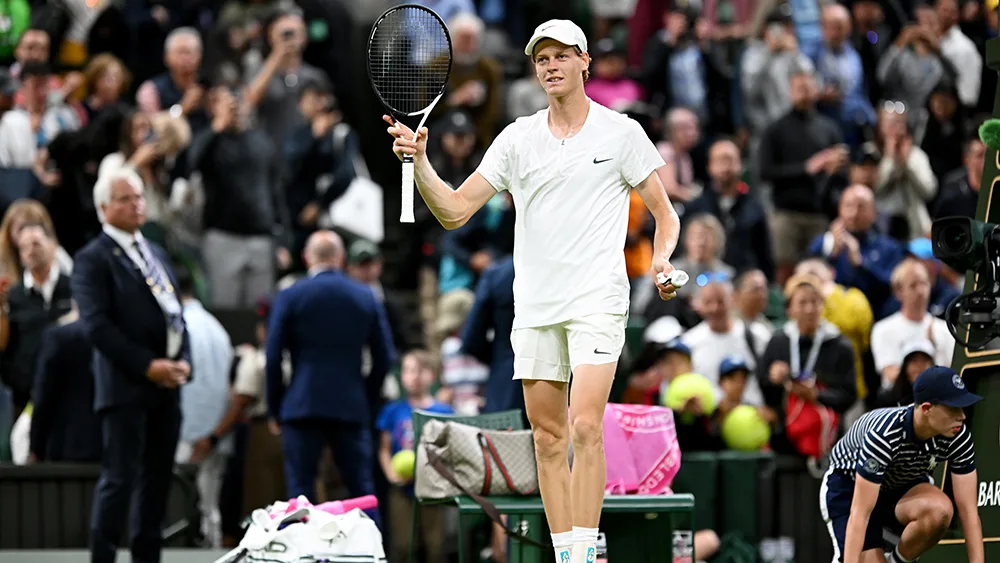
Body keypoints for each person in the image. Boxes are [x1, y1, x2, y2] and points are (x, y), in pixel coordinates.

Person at [385, 19, 681, 563]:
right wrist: (421, 163)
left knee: (584, 425)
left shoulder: (621, 133)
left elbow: (666, 214)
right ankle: (566, 552)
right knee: (547, 438)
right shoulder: (516, 138)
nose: (551, 66)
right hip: (537, 305)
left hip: (597, 300)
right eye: (542, 59)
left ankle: (584, 553)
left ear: (584, 62)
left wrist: (661, 259)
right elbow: (454, 211)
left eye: (561, 55)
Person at [72, 169, 192, 563]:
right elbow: (97, 327)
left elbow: (176, 314)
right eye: (124, 199)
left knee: (157, 484)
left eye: (139, 197)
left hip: (166, 387)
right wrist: (146, 365)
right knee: (119, 480)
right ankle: (103, 557)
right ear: (103, 208)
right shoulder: (92, 258)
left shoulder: (155, 252)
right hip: (126, 386)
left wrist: (183, 361)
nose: (136, 204)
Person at [265, 230, 395, 527]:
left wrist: (276, 406)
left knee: (300, 493)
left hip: (302, 404)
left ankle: (303, 550)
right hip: (350, 404)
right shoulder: (365, 296)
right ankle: (371, 547)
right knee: (361, 491)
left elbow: (273, 357)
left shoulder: (290, 295)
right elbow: (385, 357)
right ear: (341, 258)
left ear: (306, 257)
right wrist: (365, 396)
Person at [819, 366, 984, 563]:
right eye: (953, 409)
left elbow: (969, 512)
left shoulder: (958, 434)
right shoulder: (884, 435)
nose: (962, 416)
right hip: (849, 488)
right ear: (926, 409)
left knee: (939, 511)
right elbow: (859, 514)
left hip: (898, 483)